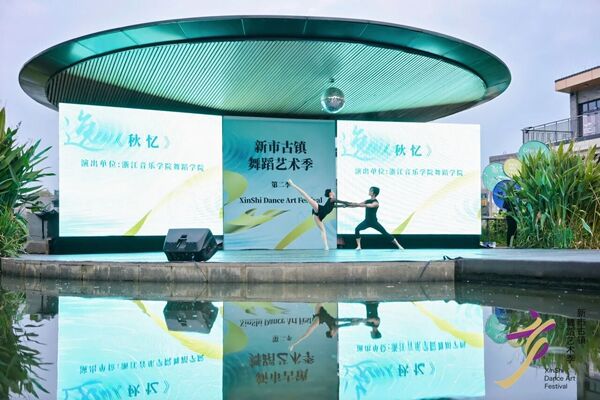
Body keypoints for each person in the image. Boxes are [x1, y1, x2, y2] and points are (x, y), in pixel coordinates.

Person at [288, 179, 349, 250]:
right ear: (330, 193)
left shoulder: (332, 203)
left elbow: (338, 205)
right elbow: (343, 202)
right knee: (307, 197)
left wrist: (345, 206)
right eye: (332, 191)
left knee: (323, 230)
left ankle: (326, 246)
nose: (333, 192)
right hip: (319, 209)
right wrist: (351, 204)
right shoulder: (332, 199)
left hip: (318, 216)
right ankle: (292, 184)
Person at [289, 303, 359, 351]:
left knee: (307, 333)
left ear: (331, 333)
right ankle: (294, 344)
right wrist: (354, 322)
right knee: (308, 332)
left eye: (334, 335)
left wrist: (294, 344)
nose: (335, 334)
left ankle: (294, 344)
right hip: (321, 313)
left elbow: (344, 321)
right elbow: (344, 324)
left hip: (319, 316)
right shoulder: (335, 326)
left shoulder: (332, 326)